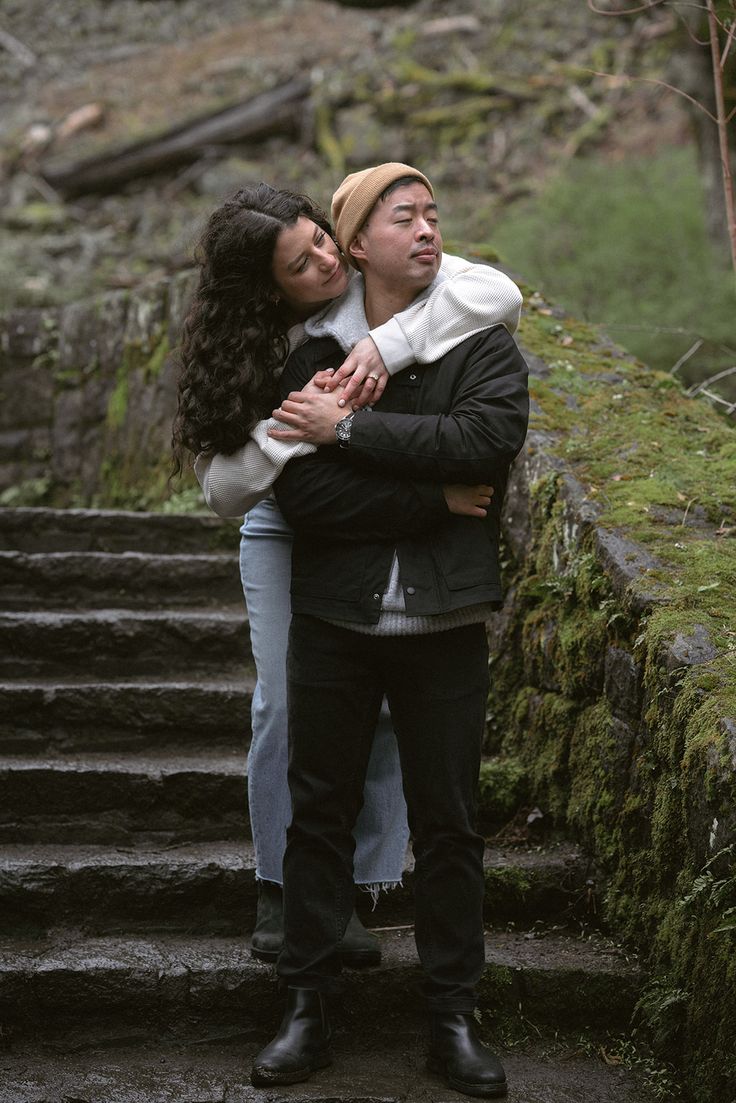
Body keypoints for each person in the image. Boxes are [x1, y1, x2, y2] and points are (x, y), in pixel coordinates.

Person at [172, 181, 523, 970]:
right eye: (304, 261)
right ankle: (281, 888)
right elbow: (227, 490)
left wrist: (384, 348)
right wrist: (303, 423)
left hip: (376, 491)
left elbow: (498, 291)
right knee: (287, 699)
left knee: (391, 705)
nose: (328, 258)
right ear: (270, 288)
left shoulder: (388, 283)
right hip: (290, 517)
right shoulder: (258, 346)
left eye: (325, 238)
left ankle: (359, 888)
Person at [250, 164, 529, 1098]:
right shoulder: (312, 351)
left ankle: (453, 1018)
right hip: (336, 615)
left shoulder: (481, 337)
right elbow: (307, 493)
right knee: (317, 811)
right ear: (356, 244)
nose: (426, 229)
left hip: (446, 616)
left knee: (449, 824)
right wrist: (433, 497)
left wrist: (354, 434)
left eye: (433, 214)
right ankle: (306, 1006)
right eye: (401, 217)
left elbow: (484, 444)